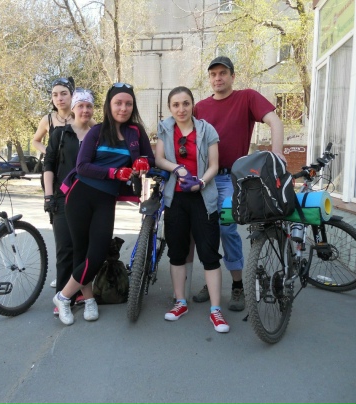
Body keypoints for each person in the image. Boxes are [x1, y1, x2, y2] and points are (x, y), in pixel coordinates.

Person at [53, 83, 155, 326]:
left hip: (106, 200)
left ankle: (63, 296)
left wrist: (143, 163)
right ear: (109, 105)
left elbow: (148, 158)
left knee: (97, 255)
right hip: (80, 195)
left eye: (128, 104)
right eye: (118, 103)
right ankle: (88, 299)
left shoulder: (136, 131)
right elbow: (82, 166)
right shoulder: (97, 131)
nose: (123, 108)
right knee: (81, 252)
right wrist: (114, 173)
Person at [192, 56, 285, 311]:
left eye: (223, 73)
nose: (218, 78)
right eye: (213, 74)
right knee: (205, 230)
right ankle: (211, 280)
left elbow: (275, 121)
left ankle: (237, 284)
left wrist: (277, 154)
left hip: (231, 178)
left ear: (232, 76)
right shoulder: (200, 107)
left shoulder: (247, 98)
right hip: (205, 178)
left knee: (226, 228)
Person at [155, 86, 228, 333]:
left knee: (209, 253)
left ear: (192, 105)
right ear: (170, 108)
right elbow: (159, 159)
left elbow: (214, 165)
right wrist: (176, 168)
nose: (181, 109)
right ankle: (180, 302)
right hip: (175, 199)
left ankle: (216, 310)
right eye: (176, 105)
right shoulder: (165, 128)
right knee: (177, 252)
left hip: (202, 198)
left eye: (186, 103)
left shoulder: (207, 130)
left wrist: (201, 183)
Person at [43, 88, 95, 317]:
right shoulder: (60, 134)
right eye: (80, 105)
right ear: (73, 108)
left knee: (86, 251)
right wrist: (48, 196)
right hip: (62, 198)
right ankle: (64, 298)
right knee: (65, 249)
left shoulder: (97, 135)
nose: (84, 110)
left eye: (88, 106)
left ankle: (83, 294)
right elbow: (48, 165)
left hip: (89, 200)